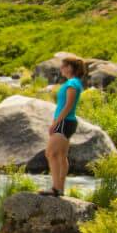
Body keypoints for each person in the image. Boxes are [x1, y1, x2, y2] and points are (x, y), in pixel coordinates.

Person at [45, 57, 86, 196]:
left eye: (63, 66)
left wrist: (55, 123)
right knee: (62, 155)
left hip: (64, 122)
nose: (61, 69)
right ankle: (60, 188)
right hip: (68, 122)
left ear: (69, 68)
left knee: (51, 153)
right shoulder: (75, 83)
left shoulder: (72, 84)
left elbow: (68, 106)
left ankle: (56, 188)